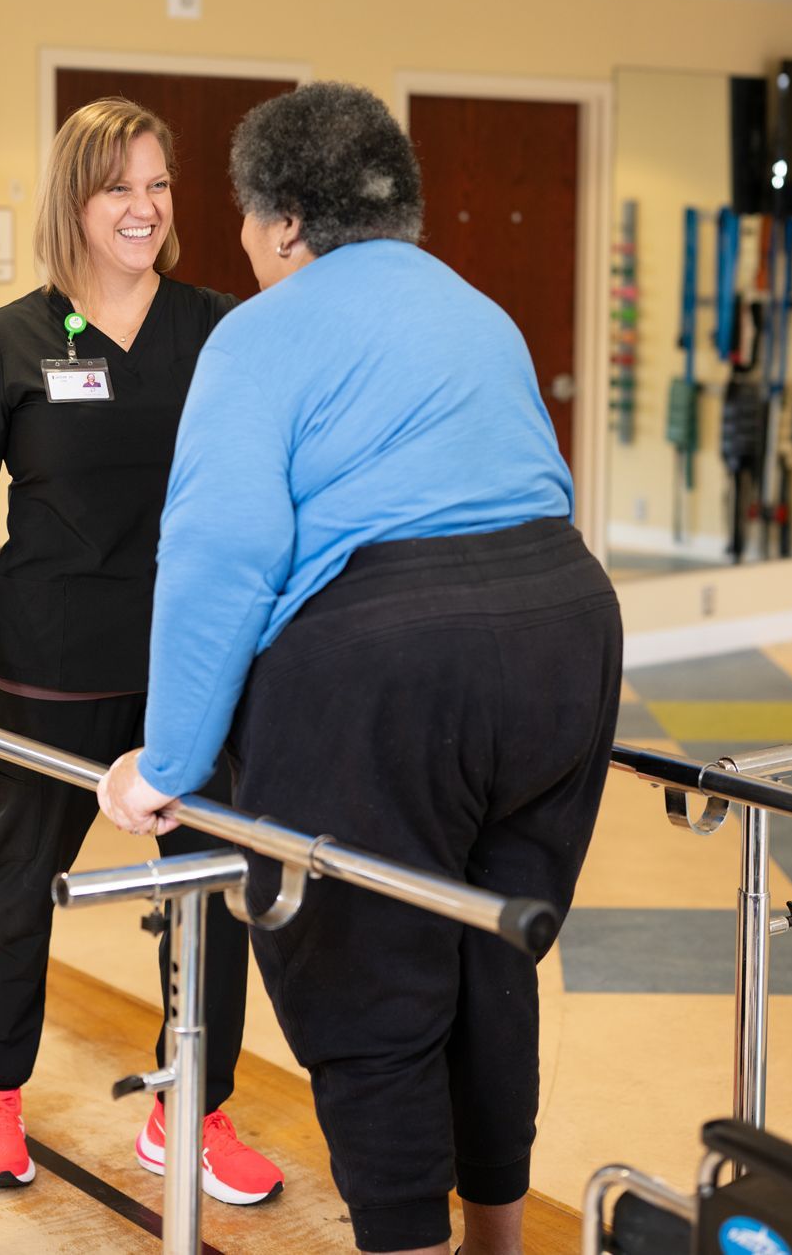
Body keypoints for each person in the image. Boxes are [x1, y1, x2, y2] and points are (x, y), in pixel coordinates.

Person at [98, 82, 622, 1255]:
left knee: (371, 987)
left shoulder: (261, 329)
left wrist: (166, 762)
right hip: (565, 628)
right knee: (490, 952)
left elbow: (220, 558)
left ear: (285, 224)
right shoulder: (475, 308)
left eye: (240, 216)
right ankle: (496, 1238)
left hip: (386, 658)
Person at [0, 96, 283, 1206]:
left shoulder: (216, 326)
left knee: (215, 883)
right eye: (120, 184)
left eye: (160, 184)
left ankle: (191, 1107)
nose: (144, 206)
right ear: (75, 197)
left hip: (193, 661)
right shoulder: (11, 340)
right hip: (45, 660)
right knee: (23, 878)